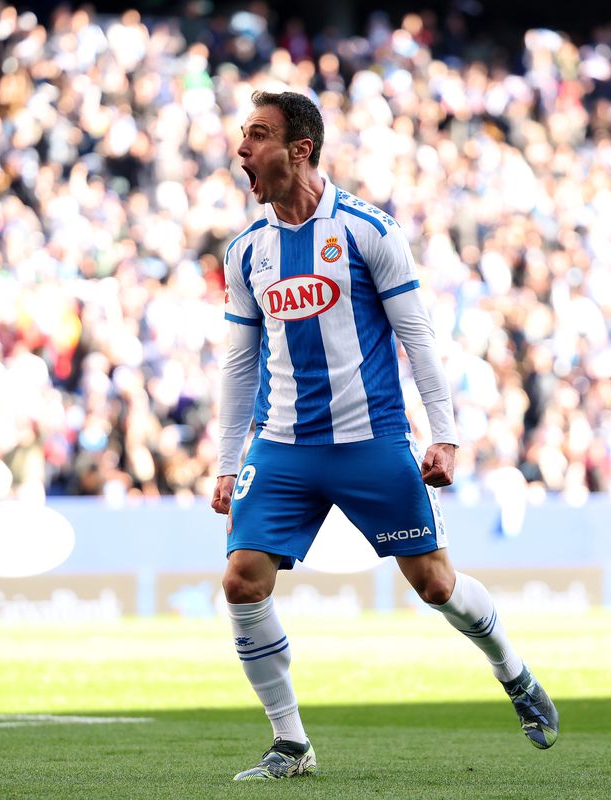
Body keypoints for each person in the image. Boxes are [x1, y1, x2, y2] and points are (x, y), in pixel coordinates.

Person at [210, 90, 558, 781]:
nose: (242, 149)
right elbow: (240, 361)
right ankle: (290, 744)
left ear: (300, 149)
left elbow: (417, 336)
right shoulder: (246, 250)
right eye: (243, 134)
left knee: (435, 584)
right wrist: (227, 460)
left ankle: (514, 673)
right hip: (282, 446)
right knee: (242, 582)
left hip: (371, 441)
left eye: (258, 135)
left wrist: (445, 435)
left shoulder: (368, 230)